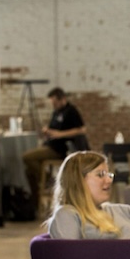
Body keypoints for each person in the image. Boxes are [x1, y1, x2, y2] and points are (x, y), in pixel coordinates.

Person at [23, 87, 88, 217]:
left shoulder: (71, 111)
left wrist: (60, 134)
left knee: (26, 157)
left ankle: (48, 180)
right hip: (50, 144)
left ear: (62, 99)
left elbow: (82, 130)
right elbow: (54, 129)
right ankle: (34, 206)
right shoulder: (56, 113)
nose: (54, 105)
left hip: (60, 149)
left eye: (55, 102)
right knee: (29, 171)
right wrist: (48, 132)